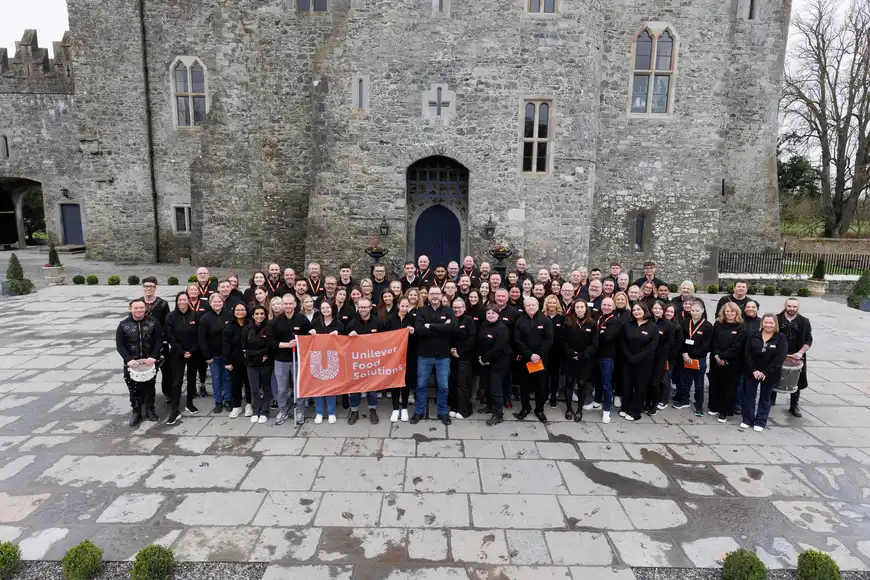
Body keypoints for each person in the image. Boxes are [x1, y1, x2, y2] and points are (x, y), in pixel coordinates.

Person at [412, 286, 456, 425]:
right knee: (421, 385)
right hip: (424, 355)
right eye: (432, 294)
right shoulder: (422, 311)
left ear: (441, 295)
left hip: (443, 355)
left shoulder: (449, 311)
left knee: (443, 386)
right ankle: (419, 411)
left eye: (437, 293)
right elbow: (419, 331)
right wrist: (442, 328)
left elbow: (452, 328)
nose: (435, 296)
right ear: (428, 296)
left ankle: (443, 412)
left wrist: (430, 326)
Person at [116, 298, 163, 426]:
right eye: (136, 308)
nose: (139, 310)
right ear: (130, 309)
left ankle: (150, 410)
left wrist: (153, 356)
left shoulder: (153, 322)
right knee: (133, 388)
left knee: (150, 386)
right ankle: (136, 411)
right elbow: (120, 345)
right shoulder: (123, 325)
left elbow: (159, 340)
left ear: (145, 308)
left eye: (141, 307)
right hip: (132, 363)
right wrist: (128, 359)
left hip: (149, 361)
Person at [271, 294, 313, 425]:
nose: (288, 306)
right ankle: (282, 410)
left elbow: (309, 337)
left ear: (295, 304)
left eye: (290, 303)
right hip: (281, 360)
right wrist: (287, 345)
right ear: (282, 305)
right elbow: (271, 341)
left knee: (298, 387)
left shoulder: (302, 319)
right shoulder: (276, 321)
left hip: (298, 360)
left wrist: (308, 335)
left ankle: (300, 411)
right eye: (286, 304)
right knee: (282, 389)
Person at [742, 313, 788, 431]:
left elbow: (780, 357)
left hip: (770, 373)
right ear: (762, 322)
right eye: (766, 322)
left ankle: (760, 421)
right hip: (752, 372)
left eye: (771, 323)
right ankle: (747, 419)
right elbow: (747, 353)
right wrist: (754, 370)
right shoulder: (753, 334)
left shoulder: (781, 337)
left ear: (775, 324)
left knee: (765, 398)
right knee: (749, 396)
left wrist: (765, 372)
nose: (768, 325)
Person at [346, 297, 387, 423]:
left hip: (372, 361)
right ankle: (354, 411)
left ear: (370, 307)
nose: (363, 309)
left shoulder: (378, 322)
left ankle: (373, 409)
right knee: (354, 388)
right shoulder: (352, 324)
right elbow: (344, 343)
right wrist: (349, 336)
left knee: (372, 389)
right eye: (360, 307)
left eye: (365, 307)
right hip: (356, 362)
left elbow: (386, 339)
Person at [513, 297, 554, 422]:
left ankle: (539, 409)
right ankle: (525, 407)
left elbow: (549, 339)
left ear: (538, 306)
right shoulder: (520, 321)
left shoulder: (545, 320)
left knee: (541, 386)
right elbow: (517, 340)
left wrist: (538, 354)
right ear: (525, 307)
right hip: (525, 359)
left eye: (533, 305)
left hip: (540, 360)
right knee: (524, 386)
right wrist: (529, 354)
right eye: (528, 305)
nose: (530, 307)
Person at [164, 292, 200, 424]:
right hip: (177, 353)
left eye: (184, 300)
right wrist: (181, 351)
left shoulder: (195, 315)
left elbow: (199, 335)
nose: (182, 302)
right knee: (176, 382)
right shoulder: (171, 316)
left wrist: (191, 351)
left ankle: (189, 403)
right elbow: (169, 336)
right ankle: (175, 410)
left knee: (191, 379)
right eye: (180, 300)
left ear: (188, 301)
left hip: (193, 353)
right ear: (176, 301)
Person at [586, 297, 623, 423]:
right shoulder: (599, 317)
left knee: (607, 384)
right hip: (595, 355)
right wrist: (599, 332)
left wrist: (596, 334)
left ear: (613, 307)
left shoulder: (615, 321)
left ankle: (606, 410)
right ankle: (597, 402)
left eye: (609, 305)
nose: (606, 307)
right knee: (597, 381)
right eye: (604, 305)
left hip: (607, 357)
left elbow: (607, 337)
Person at [708, 301, 746, 423]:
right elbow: (713, 341)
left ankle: (724, 411)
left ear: (737, 312)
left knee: (729, 387)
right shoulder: (718, 324)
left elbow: (737, 346)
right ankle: (714, 406)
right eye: (727, 311)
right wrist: (717, 355)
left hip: (733, 362)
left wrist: (723, 357)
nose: (730, 313)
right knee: (715, 383)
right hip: (716, 359)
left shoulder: (741, 327)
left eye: (732, 311)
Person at [775, 298, 813, 417]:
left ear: (798, 307)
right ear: (785, 306)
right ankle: (770, 399)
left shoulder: (804, 321)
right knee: (773, 376)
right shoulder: (776, 318)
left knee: (797, 380)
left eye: (794, 307)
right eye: (789, 306)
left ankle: (794, 405)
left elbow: (808, 340)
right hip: (777, 354)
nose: (791, 309)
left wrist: (801, 352)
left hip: (797, 355)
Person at [621, 302, 659, 421]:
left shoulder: (653, 327)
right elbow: (622, 342)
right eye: (634, 310)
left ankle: (635, 412)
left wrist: (637, 358)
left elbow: (651, 347)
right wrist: (629, 356)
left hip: (644, 363)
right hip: (628, 361)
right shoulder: (628, 325)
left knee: (640, 387)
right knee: (627, 385)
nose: (636, 312)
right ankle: (625, 407)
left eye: (638, 309)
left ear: (644, 310)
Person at [674, 301, 714, 416]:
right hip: (685, 357)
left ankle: (699, 405)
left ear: (702, 311)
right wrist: (684, 353)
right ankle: (684, 400)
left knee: (699, 384)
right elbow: (681, 340)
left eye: (697, 310)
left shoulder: (707, 326)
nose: (695, 313)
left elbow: (706, 345)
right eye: (692, 311)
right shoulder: (685, 323)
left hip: (698, 359)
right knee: (685, 381)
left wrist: (691, 355)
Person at [561, 299, 598, 421]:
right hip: (570, 357)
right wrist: (571, 352)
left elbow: (594, 343)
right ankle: (568, 408)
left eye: (582, 307)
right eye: (577, 307)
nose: (579, 309)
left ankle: (579, 410)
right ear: (574, 309)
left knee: (582, 383)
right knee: (569, 382)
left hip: (584, 359)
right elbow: (563, 340)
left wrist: (583, 355)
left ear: (586, 309)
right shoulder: (568, 321)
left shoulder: (592, 323)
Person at [477, 305, 511, 426]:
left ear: (498, 314)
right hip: (484, 361)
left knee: (496, 389)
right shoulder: (484, 325)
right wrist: (480, 357)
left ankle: (498, 414)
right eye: (488, 313)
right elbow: (479, 342)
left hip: (498, 362)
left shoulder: (502, 328)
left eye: (493, 313)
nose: (490, 315)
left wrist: (485, 359)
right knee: (487, 387)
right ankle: (490, 407)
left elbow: (499, 348)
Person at [199, 293, 232, 413]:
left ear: (223, 303)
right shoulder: (205, 318)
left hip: (228, 354)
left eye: (219, 301)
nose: (217, 304)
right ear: (210, 303)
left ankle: (228, 399)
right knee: (216, 378)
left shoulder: (229, 315)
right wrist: (207, 355)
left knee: (227, 378)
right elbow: (202, 339)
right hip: (213, 355)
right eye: (215, 302)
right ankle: (218, 401)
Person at [311, 300, 343, 424]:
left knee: (330, 386)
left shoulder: (338, 323)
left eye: (328, 307)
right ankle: (319, 412)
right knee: (317, 386)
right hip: (317, 357)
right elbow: (308, 339)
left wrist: (338, 334)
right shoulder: (315, 323)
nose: (325, 310)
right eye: (323, 308)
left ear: (332, 308)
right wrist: (310, 333)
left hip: (332, 357)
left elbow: (344, 339)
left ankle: (331, 412)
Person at [141, 276, 172, 402]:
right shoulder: (138, 303)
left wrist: (165, 339)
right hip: (143, 343)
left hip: (160, 342)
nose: (148, 289)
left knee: (166, 369)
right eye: (146, 286)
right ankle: (145, 395)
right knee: (144, 370)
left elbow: (167, 323)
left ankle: (168, 392)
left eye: (151, 286)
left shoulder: (163, 304)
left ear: (155, 288)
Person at [243, 305, 273, 424]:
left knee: (266, 388)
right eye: (257, 314)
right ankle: (256, 411)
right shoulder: (246, 329)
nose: (259, 316)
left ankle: (264, 411)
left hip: (266, 364)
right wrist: (259, 354)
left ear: (265, 315)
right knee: (254, 389)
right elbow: (245, 348)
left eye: (262, 314)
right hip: (251, 364)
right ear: (253, 315)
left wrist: (260, 353)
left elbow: (269, 347)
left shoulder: (269, 328)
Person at [389, 296, 416, 422]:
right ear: (398, 305)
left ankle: (404, 408)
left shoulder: (412, 319)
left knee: (405, 381)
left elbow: (418, 337)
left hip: (408, 355)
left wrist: (413, 332)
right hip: (393, 356)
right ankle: (395, 408)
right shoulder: (391, 319)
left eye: (407, 306)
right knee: (395, 381)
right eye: (402, 306)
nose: (404, 308)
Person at [449, 298, 476, 420]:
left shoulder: (469, 320)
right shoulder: (450, 320)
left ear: (464, 308)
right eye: (454, 307)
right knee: (453, 382)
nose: (457, 309)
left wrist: (459, 351)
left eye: (459, 307)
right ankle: (454, 407)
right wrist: (451, 350)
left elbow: (472, 338)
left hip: (464, 357)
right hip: (451, 356)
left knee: (463, 383)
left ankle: (465, 410)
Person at [645, 300, 673, 416]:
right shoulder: (648, 322)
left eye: (660, 309)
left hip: (659, 358)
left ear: (663, 310)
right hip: (647, 357)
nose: (657, 310)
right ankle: (646, 403)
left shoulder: (668, 325)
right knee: (646, 381)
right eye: (655, 308)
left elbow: (669, 343)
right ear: (652, 309)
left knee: (655, 383)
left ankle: (654, 405)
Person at [222, 302, 250, 418]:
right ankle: (237, 406)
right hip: (235, 360)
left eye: (242, 309)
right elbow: (226, 345)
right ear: (234, 312)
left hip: (250, 360)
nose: (240, 312)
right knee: (235, 383)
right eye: (237, 310)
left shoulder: (250, 324)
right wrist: (227, 362)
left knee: (249, 383)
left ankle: (249, 404)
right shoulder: (229, 326)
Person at [542, 295, 565, 409]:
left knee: (555, 375)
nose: (552, 305)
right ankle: (544, 395)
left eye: (554, 303)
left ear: (557, 304)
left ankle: (553, 398)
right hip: (544, 351)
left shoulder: (562, 318)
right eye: (549, 303)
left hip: (557, 351)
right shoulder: (542, 317)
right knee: (544, 374)